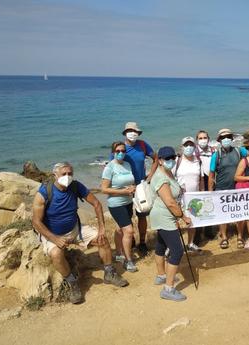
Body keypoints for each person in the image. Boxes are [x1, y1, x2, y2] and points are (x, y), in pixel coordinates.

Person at [32, 162, 128, 304]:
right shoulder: (44, 192)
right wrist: (55, 238)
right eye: (64, 174)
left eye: (70, 173)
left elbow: (96, 203)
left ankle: (109, 273)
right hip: (52, 233)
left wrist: (102, 227)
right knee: (56, 254)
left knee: (102, 239)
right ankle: (72, 283)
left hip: (75, 229)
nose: (67, 176)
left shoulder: (76, 186)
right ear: (55, 175)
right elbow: (36, 222)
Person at [150, 146, 192, 301]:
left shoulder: (167, 173)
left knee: (161, 245)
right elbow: (170, 202)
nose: (171, 161)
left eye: (173, 158)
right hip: (164, 217)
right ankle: (168, 289)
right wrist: (182, 217)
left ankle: (161, 275)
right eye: (167, 159)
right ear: (160, 161)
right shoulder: (161, 178)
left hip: (163, 216)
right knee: (177, 251)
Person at [120, 122, 158, 256]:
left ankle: (142, 242)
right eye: (130, 131)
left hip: (141, 187)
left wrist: (150, 177)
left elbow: (156, 158)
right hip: (125, 188)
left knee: (142, 216)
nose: (133, 133)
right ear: (125, 133)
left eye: (135, 131)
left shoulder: (142, 145)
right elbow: (113, 165)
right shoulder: (120, 148)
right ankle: (131, 240)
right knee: (127, 217)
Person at [208, 128, 248, 249]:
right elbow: (211, 175)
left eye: (228, 137)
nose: (226, 139)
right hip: (221, 188)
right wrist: (210, 193)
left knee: (240, 213)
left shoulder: (240, 151)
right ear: (219, 140)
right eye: (223, 137)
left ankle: (240, 237)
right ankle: (224, 237)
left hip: (238, 188)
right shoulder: (216, 155)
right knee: (222, 215)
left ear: (232, 139)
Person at [101, 141, 137, 272]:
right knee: (129, 231)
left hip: (128, 202)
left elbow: (130, 181)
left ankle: (118, 253)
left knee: (119, 229)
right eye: (118, 151)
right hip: (116, 204)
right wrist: (123, 192)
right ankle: (128, 261)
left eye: (123, 151)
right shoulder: (109, 167)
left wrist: (133, 188)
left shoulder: (127, 165)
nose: (121, 153)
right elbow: (104, 189)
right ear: (113, 152)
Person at [173, 136, 204, 253]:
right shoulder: (177, 161)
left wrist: (202, 193)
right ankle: (173, 246)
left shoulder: (198, 161)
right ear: (182, 147)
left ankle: (190, 243)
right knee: (175, 221)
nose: (189, 147)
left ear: (195, 147)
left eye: (191, 145)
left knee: (192, 221)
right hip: (179, 197)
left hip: (193, 198)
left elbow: (200, 179)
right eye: (186, 145)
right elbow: (169, 178)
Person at [195, 130, 216, 240]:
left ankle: (208, 230)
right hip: (199, 181)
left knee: (209, 206)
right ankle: (197, 234)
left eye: (205, 137)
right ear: (197, 140)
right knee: (198, 208)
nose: (203, 140)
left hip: (211, 180)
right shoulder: (194, 152)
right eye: (200, 138)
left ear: (208, 139)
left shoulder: (213, 150)